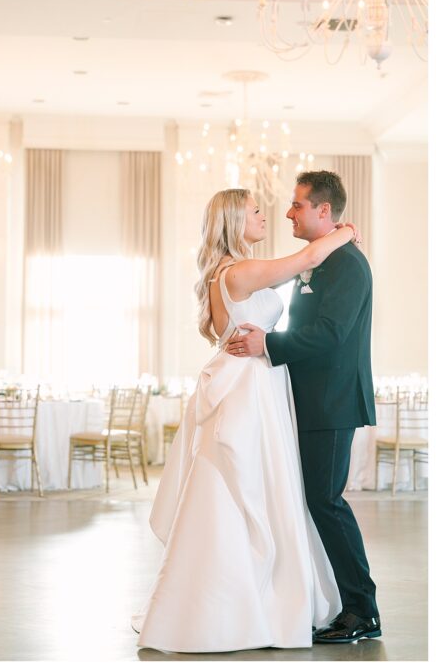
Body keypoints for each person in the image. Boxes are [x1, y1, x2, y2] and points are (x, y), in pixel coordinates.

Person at [134, 186, 359, 653]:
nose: (267, 217)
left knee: (250, 488)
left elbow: (302, 270)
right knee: (249, 488)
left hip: (252, 384)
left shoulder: (235, 272)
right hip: (247, 389)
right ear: (236, 222)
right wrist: (347, 231)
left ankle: (247, 595)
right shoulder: (241, 272)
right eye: (257, 212)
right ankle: (239, 603)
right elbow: (308, 258)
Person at [225, 171, 379, 643]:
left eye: (296, 205)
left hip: (334, 401)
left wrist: (268, 344)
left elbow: (330, 333)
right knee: (315, 501)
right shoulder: (322, 260)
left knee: (326, 502)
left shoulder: (348, 265)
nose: (289, 213)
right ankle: (332, 601)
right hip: (308, 401)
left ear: (323, 212)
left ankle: (362, 611)